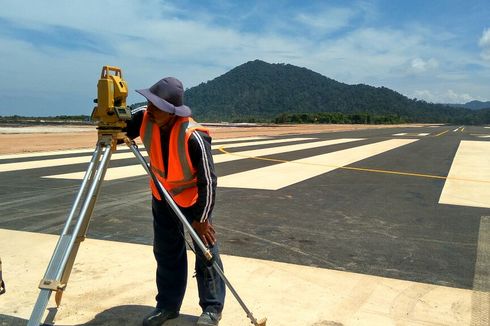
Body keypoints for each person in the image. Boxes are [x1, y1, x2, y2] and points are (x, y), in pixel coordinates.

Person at [125, 77, 226, 326]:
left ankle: (212, 308)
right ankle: (168, 306)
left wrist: (202, 220)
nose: (150, 109)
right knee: (166, 251)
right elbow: (123, 122)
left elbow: (209, 181)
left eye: (156, 106)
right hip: (162, 195)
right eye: (150, 103)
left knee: (205, 252)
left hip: (193, 199)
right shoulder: (146, 116)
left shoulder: (194, 136)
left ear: (171, 112)